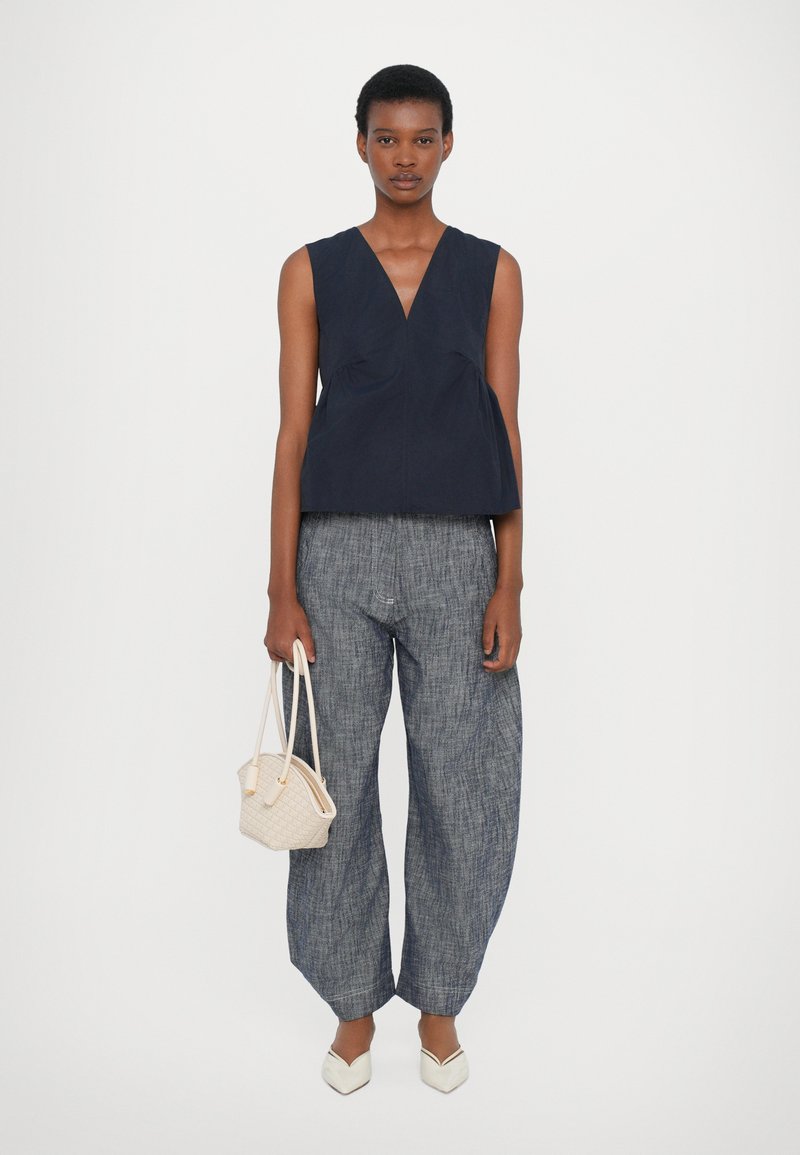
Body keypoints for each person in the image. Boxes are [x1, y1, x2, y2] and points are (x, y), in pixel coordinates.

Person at [263, 63, 524, 1094]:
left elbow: (505, 424)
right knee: (334, 784)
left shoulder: (492, 270)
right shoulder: (311, 269)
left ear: (448, 143)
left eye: (422, 138)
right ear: (360, 143)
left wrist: (510, 578)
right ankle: (352, 1004)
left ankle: (442, 1001)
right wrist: (280, 589)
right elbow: (292, 434)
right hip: (335, 553)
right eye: (386, 138)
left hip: (458, 550)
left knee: (465, 781)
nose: (404, 157)